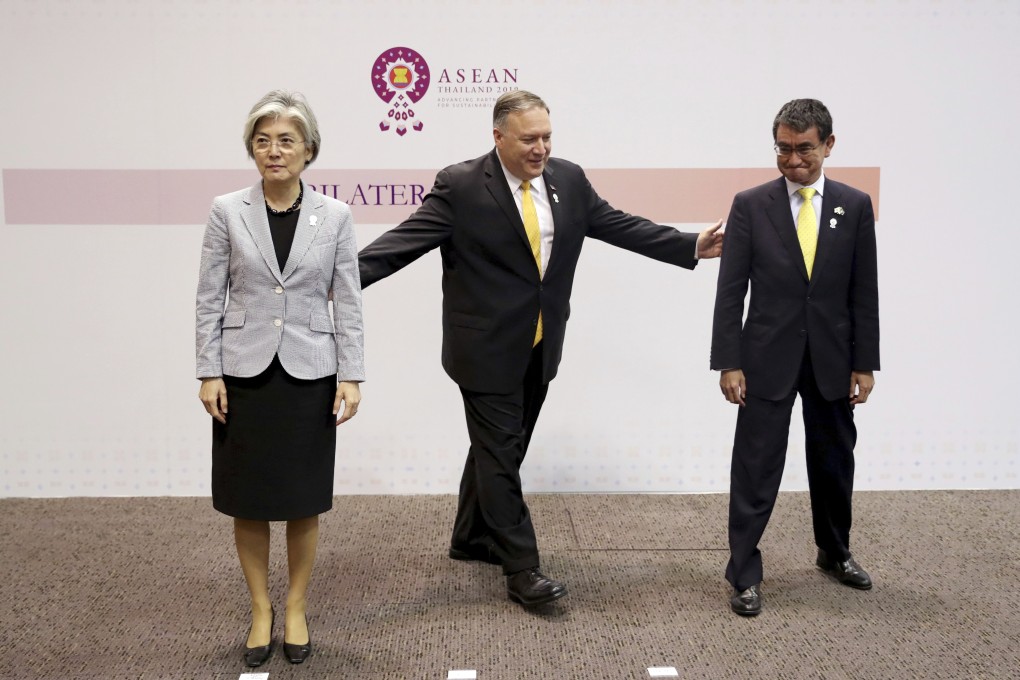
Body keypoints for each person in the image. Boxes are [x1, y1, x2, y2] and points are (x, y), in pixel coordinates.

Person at [358, 90, 723, 608]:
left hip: (540, 341)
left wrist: (688, 245)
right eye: (529, 138)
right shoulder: (461, 185)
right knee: (502, 453)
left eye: (547, 136)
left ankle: (469, 537)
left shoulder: (568, 180)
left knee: (501, 447)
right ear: (498, 136)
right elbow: (404, 241)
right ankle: (522, 569)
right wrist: (337, 280)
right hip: (482, 349)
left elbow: (616, 224)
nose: (541, 148)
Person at [195, 90, 364, 665]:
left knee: (301, 499)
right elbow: (208, 298)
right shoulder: (227, 210)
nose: (274, 151)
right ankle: (260, 607)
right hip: (243, 372)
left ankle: (295, 606)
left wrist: (352, 374)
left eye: (286, 140)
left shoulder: (336, 216)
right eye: (263, 141)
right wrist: (208, 369)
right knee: (248, 498)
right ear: (251, 149)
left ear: (308, 150)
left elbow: (348, 299)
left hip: (311, 369)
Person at [710, 99, 880, 616]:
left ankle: (834, 552)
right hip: (765, 358)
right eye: (783, 149)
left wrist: (865, 363)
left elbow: (863, 291)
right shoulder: (750, 204)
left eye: (804, 148)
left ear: (829, 145)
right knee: (756, 465)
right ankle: (743, 572)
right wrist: (728, 361)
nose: (793, 160)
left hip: (833, 357)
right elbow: (730, 290)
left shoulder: (854, 205)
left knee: (833, 463)